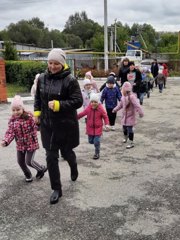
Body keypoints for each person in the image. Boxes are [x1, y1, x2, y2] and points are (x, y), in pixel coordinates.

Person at [34, 48, 83, 205]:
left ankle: (73, 166)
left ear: (62, 64)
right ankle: (56, 189)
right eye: (50, 63)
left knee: (67, 153)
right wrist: (37, 114)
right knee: (50, 157)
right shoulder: (42, 78)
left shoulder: (70, 80)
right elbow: (37, 98)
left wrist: (59, 105)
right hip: (48, 125)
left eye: (56, 63)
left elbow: (78, 101)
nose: (53, 66)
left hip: (65, 125)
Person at [1, 95, 47, 182]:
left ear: (22, 108)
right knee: (20, 161)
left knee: (29, 161)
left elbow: (36, 126)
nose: (16, 112)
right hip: (20, 145)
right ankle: (28, 174)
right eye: (13, 110)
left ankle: (41, 169)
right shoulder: (12, 120)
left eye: (18, 109)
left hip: (31, 143)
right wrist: (6, 141)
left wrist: (40, 123)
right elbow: (10, 132)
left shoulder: (29, 117)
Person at [78, 93, 109, 160]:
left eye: (95, 102)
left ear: (98, 102)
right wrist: (76, 117)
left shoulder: (100, 108)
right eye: (92, 102)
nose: (93, 103)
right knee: (90, 141)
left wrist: (106, 124)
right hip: (90, 128)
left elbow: (105, 116)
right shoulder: (88, 108)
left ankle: (97, 153)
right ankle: (95, 142)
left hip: (98, 128)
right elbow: (83, 113)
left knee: (96, 142)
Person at [113, 82, 144, 149]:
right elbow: (120, 105)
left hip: (131, 116)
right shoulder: (123, 97)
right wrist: (115, 109)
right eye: (123, 90)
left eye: (124, 90)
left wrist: (140, 113)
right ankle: (125, 136)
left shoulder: (132, 97)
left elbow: (137, 105)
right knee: (124, 128)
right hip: (124, 116)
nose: (123, 92)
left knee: (130, 129)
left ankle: (131, 142)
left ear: (127, 91)